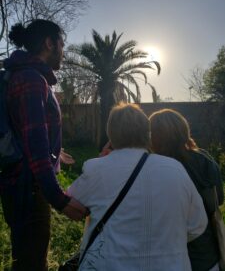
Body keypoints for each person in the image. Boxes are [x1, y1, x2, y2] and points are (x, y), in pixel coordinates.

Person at [66, 103, 207, 271]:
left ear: (111, 136)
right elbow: (197, 225)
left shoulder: (97, 169)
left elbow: (70, 204)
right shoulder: (175, 169)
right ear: (147, 134)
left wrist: (101, 159)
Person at [0, 20, 87, 271]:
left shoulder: (26, 76)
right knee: (31, 264)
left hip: (22, 185)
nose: (63, 50)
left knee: (27, 259)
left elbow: (26, 131)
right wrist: (60, 200)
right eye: (61, 44)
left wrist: (55, 151)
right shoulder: (32, 79)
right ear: (49, 43)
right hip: (29, 188)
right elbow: (35, 150)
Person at [149, 108, 224, 271]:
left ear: (155, 137)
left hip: (166, 258)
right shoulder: (206, 161)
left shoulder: (151, 167)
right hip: (206, 257)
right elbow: (219, 198)